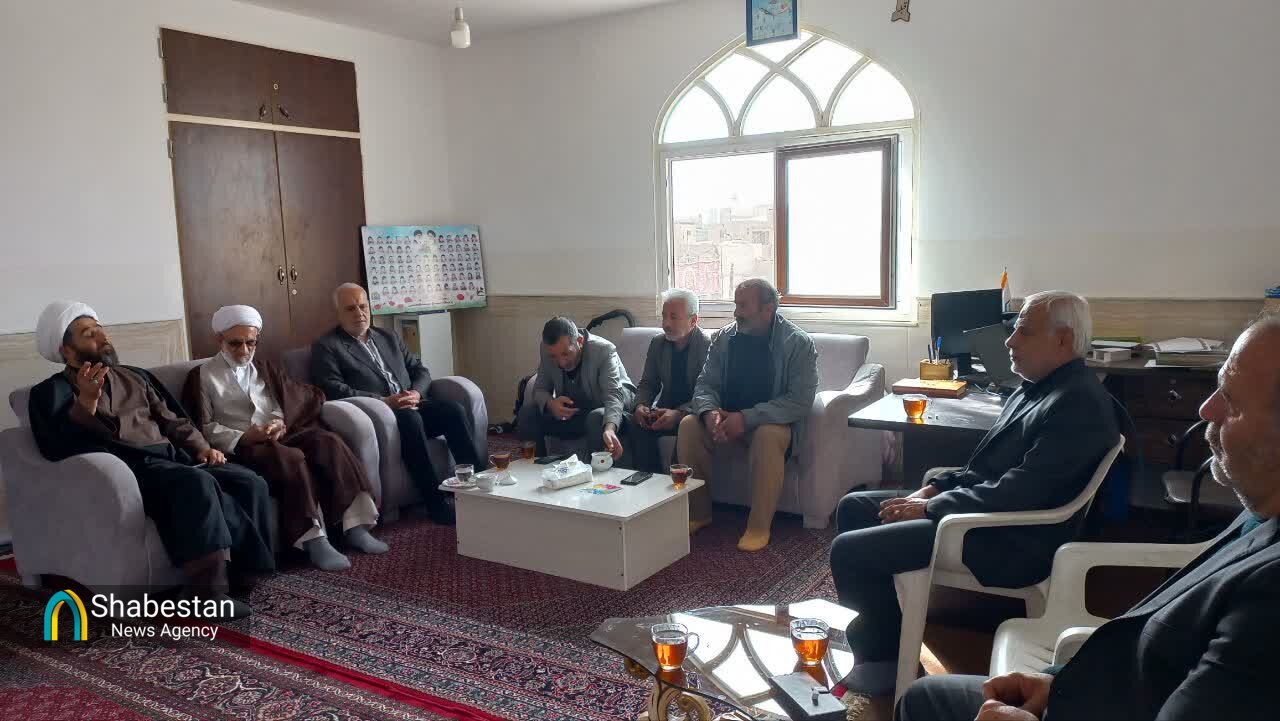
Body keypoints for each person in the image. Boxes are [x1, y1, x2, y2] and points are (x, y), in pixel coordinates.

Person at [897, 313, 1280, 721]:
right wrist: (1058, 683)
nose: (1206, 409)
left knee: (922, 701)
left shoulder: (1269, 603)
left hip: (1006, 549)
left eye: (1231, 400)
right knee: (923, 697)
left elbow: (1021, 487)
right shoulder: (1261, 515)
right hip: (1096, 688)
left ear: (1063, 340)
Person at [830, 291, 1120, 701]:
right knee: (854, 508)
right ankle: (885, 642)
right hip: (984, 513)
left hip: (1008, 537)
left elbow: (1021, 491)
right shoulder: (1036, 389)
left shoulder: (1078, 404)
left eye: (1023, 331)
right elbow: (984, 469)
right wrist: (934, 488)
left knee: (849, 551)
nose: (1009, 341)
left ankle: (886, 661)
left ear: (1062, 340)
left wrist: (930, 507)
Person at [26, 302, 273, 618]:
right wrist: (86, 404)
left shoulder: (135, 376)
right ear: (66, 350)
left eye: (101, 329)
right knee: (196, 483)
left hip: (175, 461)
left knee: (248, 480)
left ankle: (243, 576)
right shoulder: (50, 393)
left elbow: (173, 421)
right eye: (89, 334)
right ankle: (204, 595)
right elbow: (58, 448)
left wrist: (201, 447)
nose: (103, 338)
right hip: (131, 469)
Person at [183, 305, 389, 572]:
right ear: (219, 340)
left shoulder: (263, 367)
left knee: (329, 442)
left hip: (280, 433)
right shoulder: (202, 376)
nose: (244, 350)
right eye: (235, 343)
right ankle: (314, 540)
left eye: (250, 342)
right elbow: (202, 426)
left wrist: (279, 421)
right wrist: (243, 436)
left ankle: (357, 526)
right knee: (291, 458)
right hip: (244, 447)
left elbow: (285, 399)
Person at [311, 283, 482, 525]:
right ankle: (434, 503)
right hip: (381, 415)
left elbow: (420, 370)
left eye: (363, 306)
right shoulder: (328, 346)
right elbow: (333, 389)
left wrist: (416, 392)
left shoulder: (387, 336)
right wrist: (384, 401)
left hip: (412, 404)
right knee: (410, 420)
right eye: (350, 309)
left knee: (453, 410)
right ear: (337, 313)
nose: (359, 313)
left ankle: (482, 488)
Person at [679, 278, 818, 551]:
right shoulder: (723, 338)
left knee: (767, 435)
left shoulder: (798, 343)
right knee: (688, 425)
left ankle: (758, 527)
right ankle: (698, 513)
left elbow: (799, 401)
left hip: (769, 423)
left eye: (743, 306)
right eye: (735, 304)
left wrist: (746, 418)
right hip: (725, 418)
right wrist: (709, 413)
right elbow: (705, 385)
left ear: (768, 310)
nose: (736, 313)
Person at [518, 316, 636, 462]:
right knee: (527, 414)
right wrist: (551, 403)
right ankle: (538, 468)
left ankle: (597, 473)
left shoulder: (603, 350)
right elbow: (540, 389)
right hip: (577, 412)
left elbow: (613, 395)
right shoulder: (547, 349)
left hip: (609, 408)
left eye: (565, 354)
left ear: (579, 341)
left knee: (595, 418)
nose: (561, 363)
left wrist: (610, 428)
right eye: (554, 356)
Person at [630, 288, 711, 473]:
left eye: (673, 317)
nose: (666, 323)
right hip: (663, 411)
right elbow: (648, 383)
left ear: (693, 320)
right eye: (664, 316)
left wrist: (678, 414)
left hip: (692, 413)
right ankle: (650, 479)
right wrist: (640, 406)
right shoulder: (658, 343)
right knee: (635, 422)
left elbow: (707, 394)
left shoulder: (707, 346)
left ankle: (675, 483)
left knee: (687, 425)